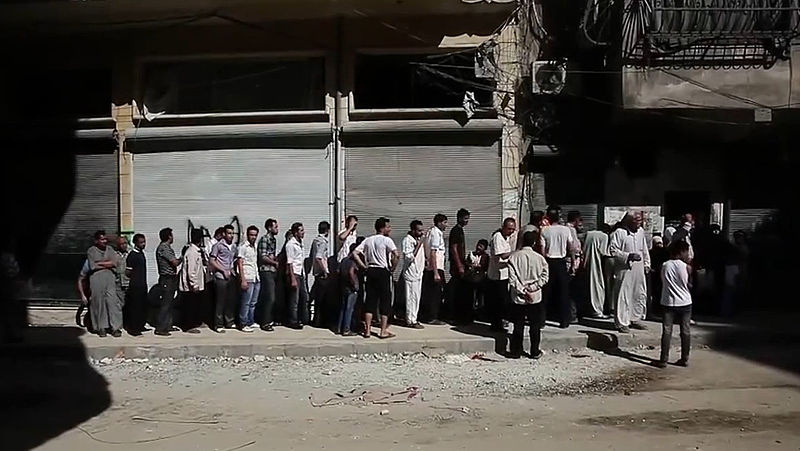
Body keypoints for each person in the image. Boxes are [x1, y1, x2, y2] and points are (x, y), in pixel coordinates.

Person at [352, 217, 399, 339]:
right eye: (388, 227)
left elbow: (355, 253)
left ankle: (367, 330)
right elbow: (396, 254)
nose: (390, 229)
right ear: (382, 228)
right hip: (383, 271)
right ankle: (383, 331)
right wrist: (393, 267)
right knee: (385, 301)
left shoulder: (368, 240)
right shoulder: (386, 240)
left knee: (370, 300)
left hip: (371, 270)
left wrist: (363, 266)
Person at [507, 231, 549, 359]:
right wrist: (532, 289)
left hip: (518, 297)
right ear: (534, 243)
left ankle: (515, 351)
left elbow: (512, 280)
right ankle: (534, 351)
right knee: (535, 326)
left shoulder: (513, 258)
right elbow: (545, 277)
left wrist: (523, 291)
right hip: (535, 297)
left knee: (518, 325)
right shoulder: (540, 259)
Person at [609, 212, 651, 333]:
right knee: (623, 294)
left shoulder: (640, 232)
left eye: (640, 221)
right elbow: (613, 250)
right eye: (636, 221)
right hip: (624, 268)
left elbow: (644, 249)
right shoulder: (619, 233)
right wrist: (628, 256)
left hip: (639, 268)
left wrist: (647, 263)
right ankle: (622, 322)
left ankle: (635, 318)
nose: (639, 223)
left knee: (638, 293)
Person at [656, 240, 692, 368]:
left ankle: (663, 359)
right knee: (685, 331)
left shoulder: (664, 265)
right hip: (685, 302)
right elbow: (691, 285)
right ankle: (685, 358)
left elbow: (662, 282)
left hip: (668, 302)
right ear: (681, 252)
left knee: (667, 331)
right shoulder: (687, 267)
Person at [540, 207, 577, 328]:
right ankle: (564, 320)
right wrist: (572, 263)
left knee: (546, 292)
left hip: (549, 262)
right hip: (561, 262)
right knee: (563, 292)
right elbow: (571, 247)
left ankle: (541, 320)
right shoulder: (566, 230)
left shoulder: (545, 230)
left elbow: (543, 250)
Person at [87, 230, 123, 337]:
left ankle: (115, 327)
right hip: (96, 278)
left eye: (105, 239)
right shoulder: (91, 251)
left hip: (109, 277)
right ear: (97, 241)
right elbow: (92, 266)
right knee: (99, 302)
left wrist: (100, 263)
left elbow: (114, 263)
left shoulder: (110, 249)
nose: (104, 241)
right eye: (102, 239)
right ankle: (100, 327)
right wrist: (107, 263)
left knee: (112, 302)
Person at [487, 217, 517, 332]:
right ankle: (496, 325)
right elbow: (502, 255)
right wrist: (516, 252)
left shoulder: (506, 238)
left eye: (513, 229)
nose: (511, 232)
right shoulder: (497, 237)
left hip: (504, 275)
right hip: (496, 275)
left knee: (503, 301)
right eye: (509, 229)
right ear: (503, 227)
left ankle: (500, 322)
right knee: (498, 302)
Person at [209, 224, 237, 333]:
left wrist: (233, 270)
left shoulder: (234, 247)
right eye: (229, 233)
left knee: (230, 300)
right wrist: (222, 270)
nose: (231, 236)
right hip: (220, 277)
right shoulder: (218, 246)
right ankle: (218, 324)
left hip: (231, 276)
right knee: (220, 301)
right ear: (224, 234)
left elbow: (234, 260)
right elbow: (212, 261)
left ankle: (229, 321)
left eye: (232, 233)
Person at [178, 228, 206, 333]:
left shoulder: (196, 251)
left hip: (195, 285)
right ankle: (188, 326)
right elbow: (191, 271)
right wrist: (194, 284)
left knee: (195, 305)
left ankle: (195, 322)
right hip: (190, 287)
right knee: (189, 306)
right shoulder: (192, 252)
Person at [422, 213, 448, 325]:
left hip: (432, 267)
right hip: (435, 267)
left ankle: (430, 315)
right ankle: (432, 317)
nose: (446, 225)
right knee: (435, 294)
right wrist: (436, 272)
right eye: (445, 222)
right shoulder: (435, 233)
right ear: (439, 222)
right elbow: (433, 252)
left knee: (432, 293)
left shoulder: (430, 232)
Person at [155, 228, 181, 337]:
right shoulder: (164, 248)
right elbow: (174, 262)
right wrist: (182, 258)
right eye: (171, 235)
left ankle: (168, 325)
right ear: (169, 236)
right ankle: (160, 327)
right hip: (167, 279)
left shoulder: (167, 247)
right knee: (165, 304)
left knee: (169, 303)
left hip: (170, 278)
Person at [448, 208, 472, 324]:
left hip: (461, 264)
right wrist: (459, 265)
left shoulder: (460, 230)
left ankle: (460, 315)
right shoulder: (456, 231)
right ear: (459, 218)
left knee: (461, 290)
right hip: (457, 266)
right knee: (457, 291)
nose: (467, 221)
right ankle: (454, 315)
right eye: (465, 218)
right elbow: (454, 248)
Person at [402, 220, 426, 329]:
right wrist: (419, 245)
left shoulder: (416, 240)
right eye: (419, 230)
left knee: (416, 297)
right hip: (411, 274)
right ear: (413, 230)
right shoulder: (408, 240)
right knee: (411, 297)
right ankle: (411, 320)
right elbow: (409, 257)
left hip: (418, 273)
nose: (421, 233)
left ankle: (414, 317)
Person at [237, 225, 261, 332]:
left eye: (255, 235)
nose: (253, 237)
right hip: (248, 276)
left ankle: (250, 321)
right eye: (251, 235)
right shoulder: (243, 247)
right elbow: (240, 263)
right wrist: (243, 279)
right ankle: (243, 323)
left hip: (255, 276)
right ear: (247, 235)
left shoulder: (255, 246)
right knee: (246, 302)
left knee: (253, 302)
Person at [582, 225, 610, 319]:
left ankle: (588, 309)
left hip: (586, 262)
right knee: (598, 288)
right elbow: (603, 252)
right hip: (596, 264)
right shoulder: (604, 236)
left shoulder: (589, 233)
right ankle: (597, 311)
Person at [285, 222, 308, 329]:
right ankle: (292, 320)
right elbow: (289, 262)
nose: (303, 233)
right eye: (301, 230)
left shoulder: (300, 243)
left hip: (300, 273)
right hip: (295, 273)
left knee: (303, 297)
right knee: (294, 299)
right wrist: (293, 278)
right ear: (295, 232)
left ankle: (301, 318)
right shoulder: (290, 244)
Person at [257, 219, 279, 331]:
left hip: (272, 271)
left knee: (271, 297)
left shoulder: (273, 240)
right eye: (275, 227)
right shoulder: (265, 239)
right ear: (269, 228)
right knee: (270, 297)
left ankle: (269, 319)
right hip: (266, 271)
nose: (277, 229)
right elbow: (263, 257)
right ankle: (265, 322)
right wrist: (275, 262)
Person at [125, 233, 148, 335]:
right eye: (141, 242)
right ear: (135, 243)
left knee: (142, 307)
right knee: (135, 307)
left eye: (144, 242)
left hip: (142, 284)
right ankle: (133, 329)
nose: (143, 244)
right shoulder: (132, 255)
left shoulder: (141, 253)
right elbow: (128, 272)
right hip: (135, 286)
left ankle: (140, 325)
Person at [310, 221, 331, 327]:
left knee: (318, 298)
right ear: (327, 230)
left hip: (316, 273)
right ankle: (320, 321)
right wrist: (324, 271)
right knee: (323, 299)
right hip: (322, 274)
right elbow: (319, 257)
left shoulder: (315, 240)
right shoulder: (323, 241)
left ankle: (317, 320)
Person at [337, 243, 360, 336]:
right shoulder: (352, 261)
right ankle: (346, 329)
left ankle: (339, 328)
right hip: (351, 288)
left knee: (343, 308)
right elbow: (351, 272)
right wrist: (354, 284)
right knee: (349, 308)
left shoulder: (343, 260)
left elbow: (338, 271)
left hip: (343, 286)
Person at [76, 259, 91, 328]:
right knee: (84, 303)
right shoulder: (89, 262)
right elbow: (80, 279)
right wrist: (83, 295)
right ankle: (78, 318)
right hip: (87, 288)